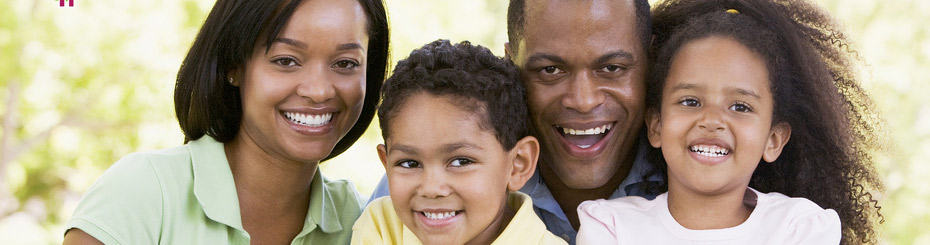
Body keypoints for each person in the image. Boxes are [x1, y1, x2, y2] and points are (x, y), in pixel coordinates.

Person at [63, 0, 389, 243]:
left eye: (345, 63)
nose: (319, 91)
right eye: (286, 60)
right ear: (234, 67)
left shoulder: (367, 225)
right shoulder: (141, 193)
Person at [576, 0, 884, 244]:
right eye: (690, 102)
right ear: (656, 125)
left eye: (740, 106)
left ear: (773, 139)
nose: (711, 120)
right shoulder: (611, 228)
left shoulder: (799, 228)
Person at [367, 1, 654, 244]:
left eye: (612, 68)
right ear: (511, 64)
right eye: (550, 70)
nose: (583, 100)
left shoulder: (688, 176)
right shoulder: (413, 194)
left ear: (652, 63)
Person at [352, 40, 566, 245]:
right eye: (409, 163)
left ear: (518, 164)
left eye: (461, 161)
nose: (432, 188)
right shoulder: (383, 226)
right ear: (386, 164)